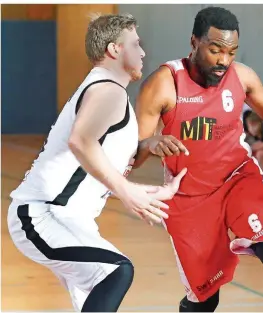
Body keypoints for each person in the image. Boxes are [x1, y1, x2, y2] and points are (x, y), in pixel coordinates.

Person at [133, 6, 263, 313]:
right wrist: (150, 142)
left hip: (238, 179)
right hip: (189, 196)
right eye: (215, 50)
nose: (223, 60)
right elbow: (135, 154)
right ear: (194, 42)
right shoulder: (164, 84)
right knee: (206, 298)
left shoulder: (241, 76)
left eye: (231, 51)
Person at [7, 13, 186, 312]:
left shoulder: (107, 92)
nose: (143, 52)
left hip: (67, 218)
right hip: (44, 214)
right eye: (136, 44)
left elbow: (93, 169)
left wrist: (147, 164)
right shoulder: (108, 90)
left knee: (102, 285)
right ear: (114, 50)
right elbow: (80, 142)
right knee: (116, 271)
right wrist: (128, 192)